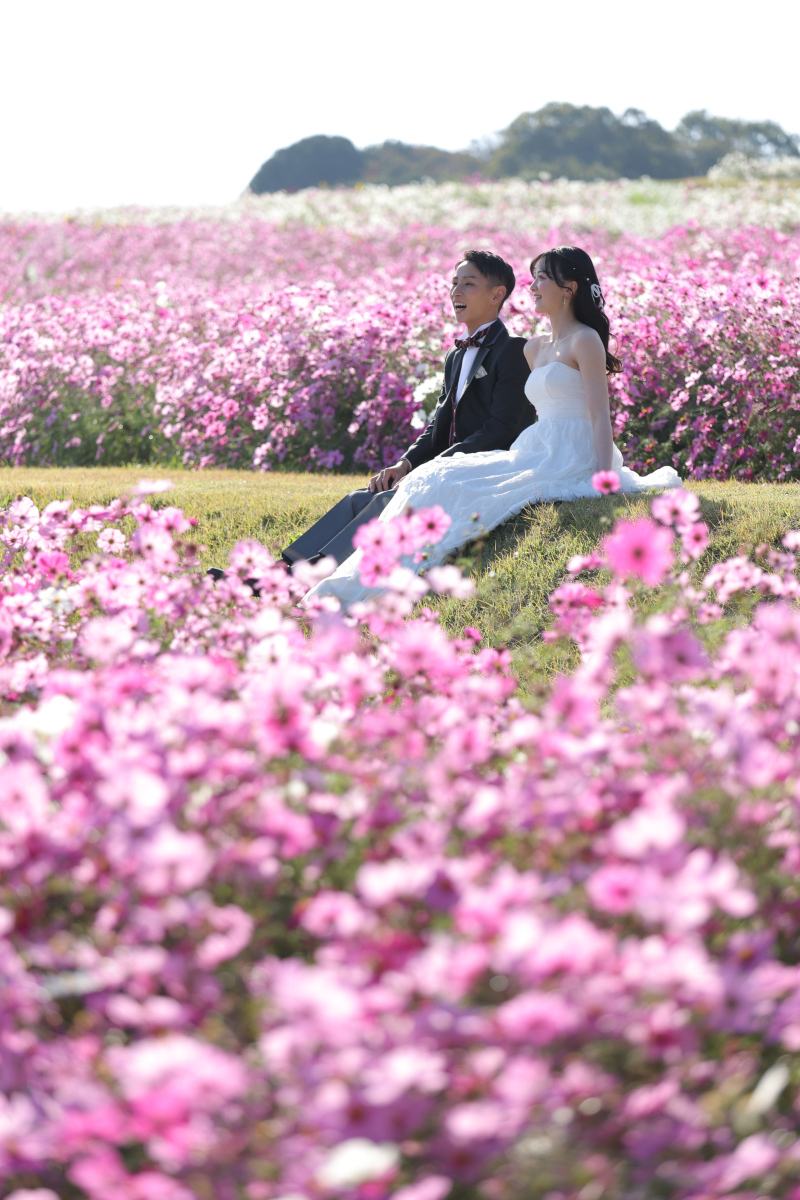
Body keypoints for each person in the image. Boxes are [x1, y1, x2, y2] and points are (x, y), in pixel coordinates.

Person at [303, 245, 682, 611]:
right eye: (532, 278)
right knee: (434, 476)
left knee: (454, 483)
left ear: (570, 289)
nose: (532, 287)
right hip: (536, 446)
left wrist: (603, 478)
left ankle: (382, 582)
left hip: (573, 449)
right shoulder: (533, 348)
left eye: (542, 279)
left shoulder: (585, 340)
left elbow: (601, 414)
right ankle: (348, 584)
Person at [279, 250, 533, 569]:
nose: (456, 292)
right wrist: (406, 463)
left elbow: (502, 428)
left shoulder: (513, 350)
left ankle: (314, 571)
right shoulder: (455, 357)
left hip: (482, 470)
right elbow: (438, 424)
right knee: (361, 497)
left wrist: (434, 467)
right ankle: (286, 564)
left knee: (388, 502)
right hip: (444, 469)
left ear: (497, 294)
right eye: (454, 283)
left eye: (468, 284)